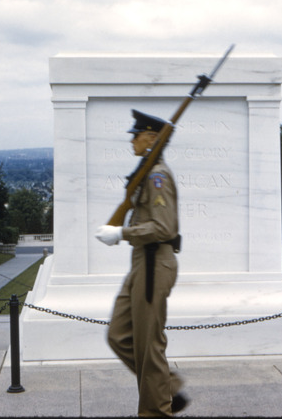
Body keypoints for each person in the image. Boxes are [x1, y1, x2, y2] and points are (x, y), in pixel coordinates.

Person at [95, 109, 189, 417]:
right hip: (141, 263)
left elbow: (164, 228)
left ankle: (157, 411)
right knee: (119, 335)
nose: (132, 142)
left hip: (154, 263)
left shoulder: (158, 176)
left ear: (151, 139)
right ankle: (168, 387)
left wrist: (122, 232)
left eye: (136, 136)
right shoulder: (147, 173)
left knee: (149, 346)